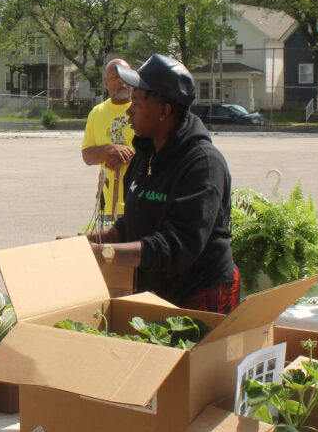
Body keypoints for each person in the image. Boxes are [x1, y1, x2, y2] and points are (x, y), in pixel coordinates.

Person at [85, 54, 241, 313]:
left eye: (136, 101)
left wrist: (105, 254)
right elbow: (131, 225)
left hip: (201, 297)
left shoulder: (203, 164)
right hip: (157, 293)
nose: (129, 110)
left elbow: (176, 246)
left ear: (164, 110)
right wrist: (80, 244)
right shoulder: (145, 154)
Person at [81, 58, 135, 226]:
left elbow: (160, 151)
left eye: (125, 76)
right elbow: (87, 156)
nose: (121, 81)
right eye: (114, 77)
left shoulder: (145, 109)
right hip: (107, 208)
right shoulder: (97, 113)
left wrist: (125, 156)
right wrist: (109, 150)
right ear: (106, 82)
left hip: (140, 204)